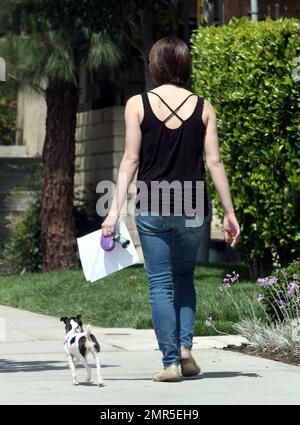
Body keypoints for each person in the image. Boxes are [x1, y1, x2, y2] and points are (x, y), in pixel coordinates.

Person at [101, 35, 240, 382]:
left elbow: (130, 159)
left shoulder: (136, 104)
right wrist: (229, 212)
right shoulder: (204, 107)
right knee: (184, 277)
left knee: (160, 284)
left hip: (153, 204)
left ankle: (170, 364)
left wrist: (114, 211)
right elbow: (215, 162)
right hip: (193, 204)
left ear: (156, 65)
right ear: (184, 65)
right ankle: (185, 349)